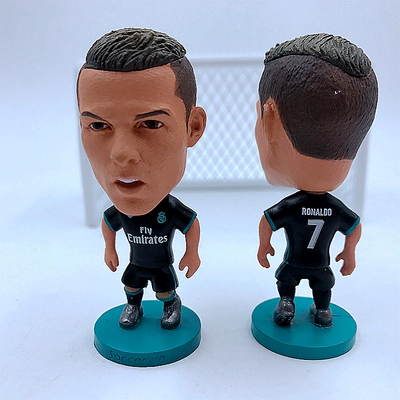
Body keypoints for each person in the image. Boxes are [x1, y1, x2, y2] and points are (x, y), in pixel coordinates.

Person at [77, 28, 206, 330]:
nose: (122, 155)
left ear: (193, 127)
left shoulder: (171, 211)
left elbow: (190, 224)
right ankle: (133, 306)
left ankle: (170, 304)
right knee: (132, 285)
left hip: (161, 265)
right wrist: (110, 249)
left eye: (150, 123)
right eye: (98, 126)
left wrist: (192, 252)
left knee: (164, 289)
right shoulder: (118, 213)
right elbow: (109, 223)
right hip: (136, 263)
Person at [255, 33, 378, 327]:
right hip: (321, 265)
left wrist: (264, 245)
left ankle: (292, 304)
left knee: (288, 281)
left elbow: (267, 220)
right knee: (322, 287)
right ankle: (321, 310)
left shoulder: (292, 206)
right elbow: (354, 226)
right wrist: (349, 252)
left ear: (269, 120)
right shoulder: (335, 208)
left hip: (294, 261)